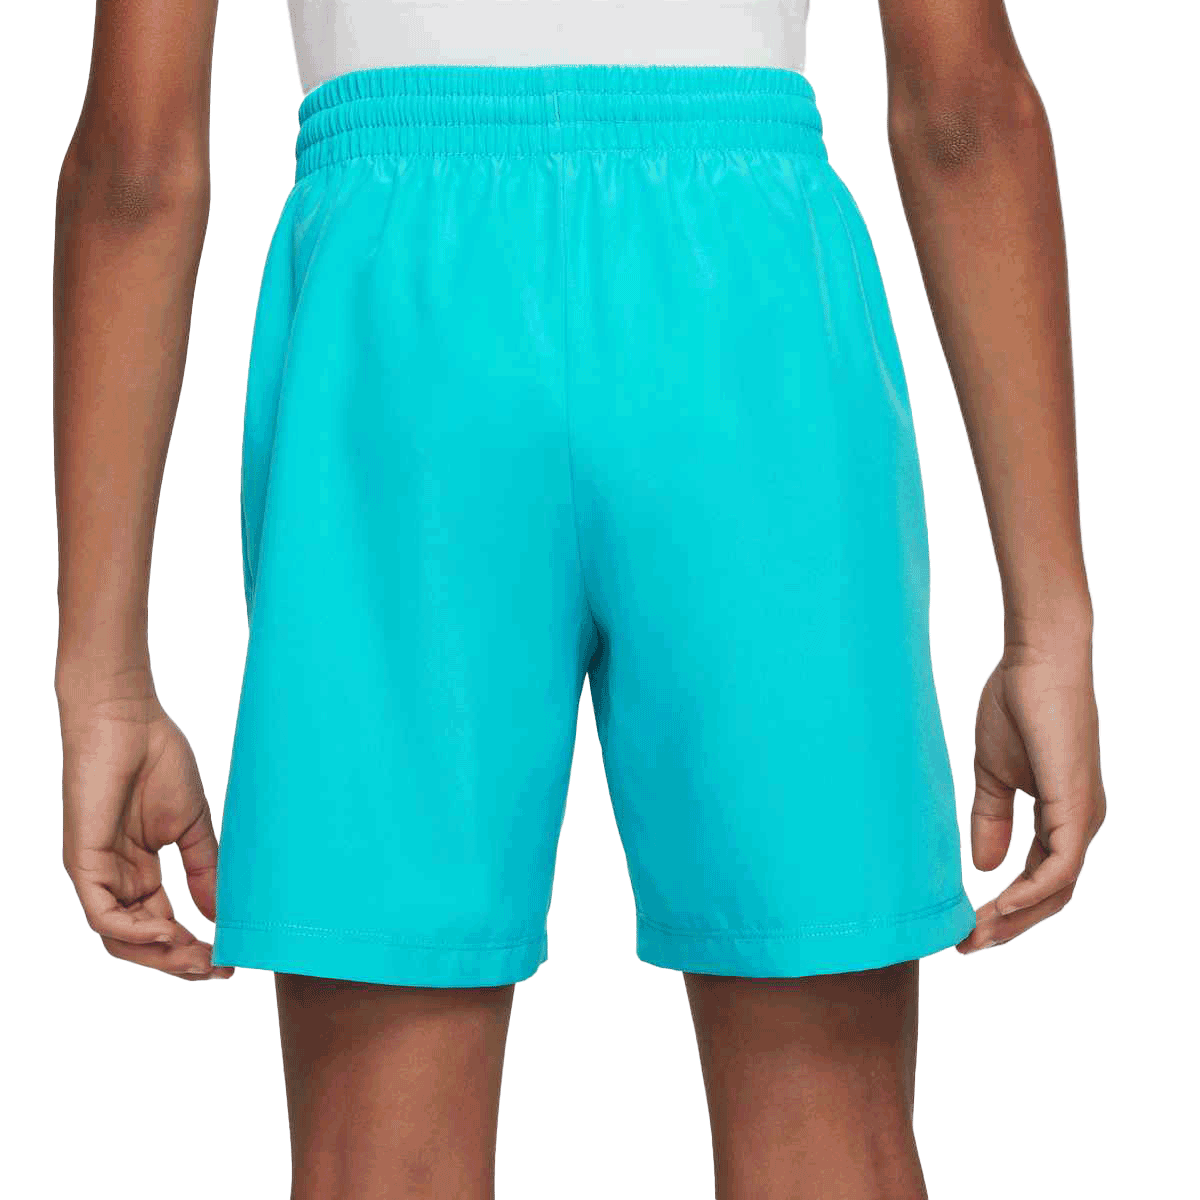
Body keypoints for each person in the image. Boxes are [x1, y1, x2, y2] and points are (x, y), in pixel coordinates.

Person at [53, 1, 1106, 1197]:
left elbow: (135, 166)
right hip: (745, 311)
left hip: (402, 338)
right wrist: (1049, 627)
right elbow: (964, 114)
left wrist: (104, 679)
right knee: (827, 1145)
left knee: (379, 1165)